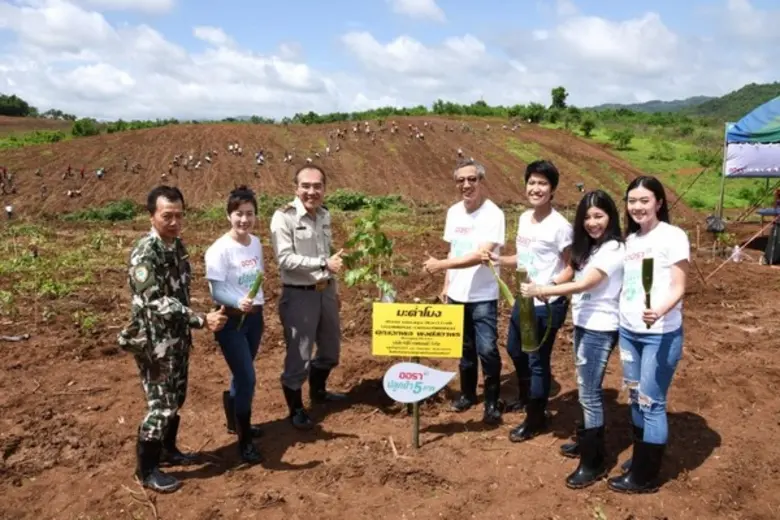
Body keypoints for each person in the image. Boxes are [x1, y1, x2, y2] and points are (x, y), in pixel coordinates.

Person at [118, 186, 228, 493]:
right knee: (161, 405)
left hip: (177, 339)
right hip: (155, 343)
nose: (175, 222)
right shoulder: (145, 253)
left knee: (176, 398)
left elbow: (180, 291)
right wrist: (200, 319)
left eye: (179, 215)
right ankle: (147, 470)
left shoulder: (176, 246)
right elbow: (154, 300)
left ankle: (167, 450)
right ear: (152, 215)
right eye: (167, 216)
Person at [519, 190, 625, 489]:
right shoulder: (592, 247)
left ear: (611, 217)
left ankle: (593, 461)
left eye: (599, 216)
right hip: (584, 323)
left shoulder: (614, 248)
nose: (592, 223)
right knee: (584, 388)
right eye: (587, 217)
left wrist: (544, 289)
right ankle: (585, 442)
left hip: (600, 328)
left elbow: (587, 283)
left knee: (590, 394)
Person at [607, 176, 689, 494]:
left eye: (644, 200)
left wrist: (660, 311)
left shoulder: (673, 236)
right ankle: (642, 456)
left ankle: (645, 476)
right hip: (629, 332)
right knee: (634, 397)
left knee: (651, 402)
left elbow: (680, 287)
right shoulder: (631, 241)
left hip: (660, 333)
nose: (637, 207)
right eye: (632, 201)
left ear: (659, 202)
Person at [483, 160, 573, 442]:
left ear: (553, 189)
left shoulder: (560, 226)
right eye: (532, 183)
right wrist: (500, 259)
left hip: (546, 304)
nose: (536, 188)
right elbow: (525, 258)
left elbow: (572, 267)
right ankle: (527, 398)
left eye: (542, 184)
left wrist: (548, 287)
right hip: (524, 300)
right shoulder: (524, 218)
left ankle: (535, 418)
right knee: (514, 348)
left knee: (537, 361)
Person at [422, 159, 506, 424]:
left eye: (472, 179)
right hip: (457, 294)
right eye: (461, 180)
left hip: (482, 295)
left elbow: (482, 255)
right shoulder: (453, 212)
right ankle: (468, 394)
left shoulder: (494, 214)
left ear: (481, 181)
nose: (466, 185)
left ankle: (492, 401)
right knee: (464, 348)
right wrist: (446, 285)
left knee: (487, 349)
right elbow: (454, 250)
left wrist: (440, 265)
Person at [270, 165, 346, 430]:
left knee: (331, 349)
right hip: (299, 295)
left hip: (325, 292)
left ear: (324, 189)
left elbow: (330, 256)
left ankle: (319, 392)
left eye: (317, 186)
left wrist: (333, 290)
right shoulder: (284, 217)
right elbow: (285, 259)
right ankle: (296, 408)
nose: (311, 192)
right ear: (296, 188)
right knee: (299, 355)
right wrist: (324, 264)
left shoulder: (324, 215)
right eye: (306, 186)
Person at [204, 186, 265, 465]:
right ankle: (245, 439)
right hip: (231, 320)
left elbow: (258, 277)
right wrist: (238, 301)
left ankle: (234, 422)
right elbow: (216, 292)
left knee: (242, 372)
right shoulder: (218, 250)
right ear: (229, 215)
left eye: (249, 214)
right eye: (239, 214)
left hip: (255, 318)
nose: (244, 220)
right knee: (247, 378)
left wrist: (251, 305)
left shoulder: (255, 243)